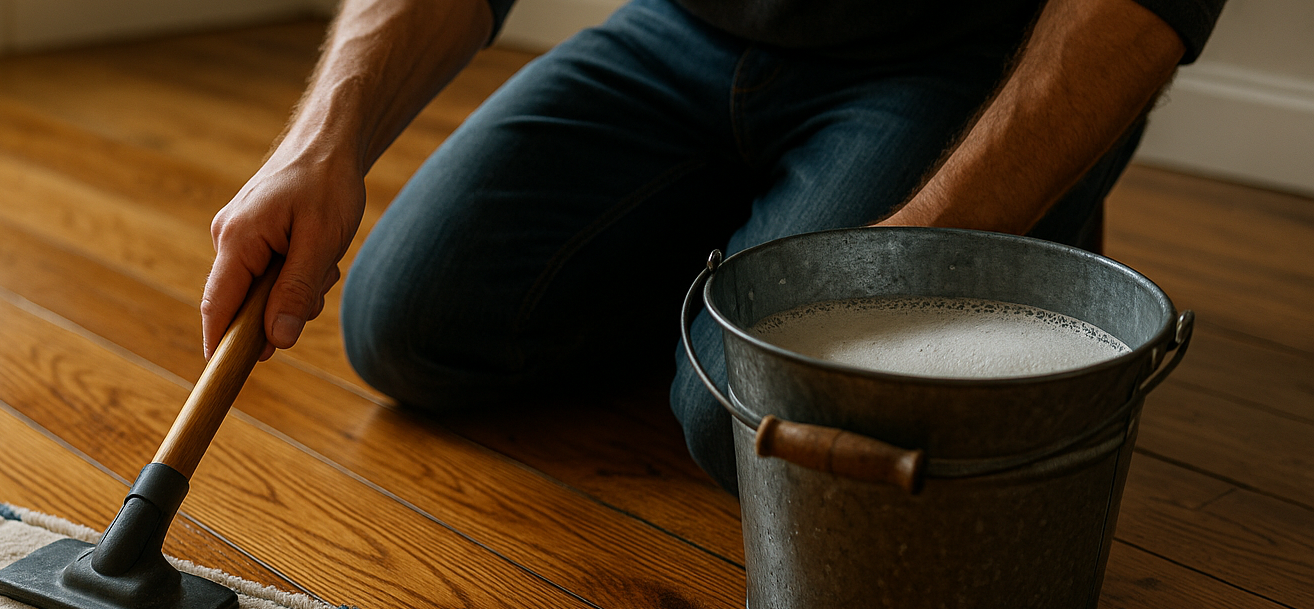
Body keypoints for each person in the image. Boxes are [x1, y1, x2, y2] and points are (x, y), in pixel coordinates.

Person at [203, 0, 1223, 494]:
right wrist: (320, 141)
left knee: (748, 417)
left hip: (963, 56)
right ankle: (744, 247)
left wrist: (906, 266)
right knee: (406, 326)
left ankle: (1029, 206)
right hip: (690, 28)